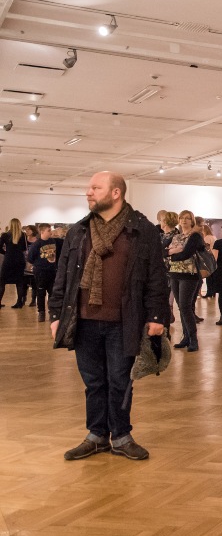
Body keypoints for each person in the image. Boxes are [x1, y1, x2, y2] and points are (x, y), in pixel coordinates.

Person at [49, 171, 167, 461]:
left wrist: (157, 316)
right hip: (83, 320)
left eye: (95, 187)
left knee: (119, 380)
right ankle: (97, 435)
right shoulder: (79, 231)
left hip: (124, 320)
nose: (88, 192)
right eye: (89, 188)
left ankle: (122, 435)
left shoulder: (142, 230)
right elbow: (63, 276)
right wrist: (55, 315)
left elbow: (156, 277)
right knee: (94, 382)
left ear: (116, 193)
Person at [165, 209, 204, 352]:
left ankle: (194, 339)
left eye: (187, 218)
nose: (184, 220)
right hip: (175, 274)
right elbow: (163, 250)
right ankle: (186, 337)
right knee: (182, 307)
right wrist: (171, 252)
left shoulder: (195, 236)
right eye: (182, 218)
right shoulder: (176, 236)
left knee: (186, 307)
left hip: (189, 275)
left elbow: (186, 253)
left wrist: (171, 254)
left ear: (192, 221)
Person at [27, 223, 63, 322]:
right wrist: (38, 264)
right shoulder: (36, 244)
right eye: (48, 230)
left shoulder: (53, 241)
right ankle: (41, 312)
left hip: (52, 271)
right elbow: (30, 258)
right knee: (41, 292)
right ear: (42, 232)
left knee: (52, 292)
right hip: (41, 272)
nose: (51, 232)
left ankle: (52, 312)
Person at [0, 218, 28, 308]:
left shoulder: (5, 235)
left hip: (8, 260)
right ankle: (19, 303)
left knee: (2, 282)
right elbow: (24, 248)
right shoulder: (23, 235)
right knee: (19, 283)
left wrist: (6, 252)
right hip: (20, 260)